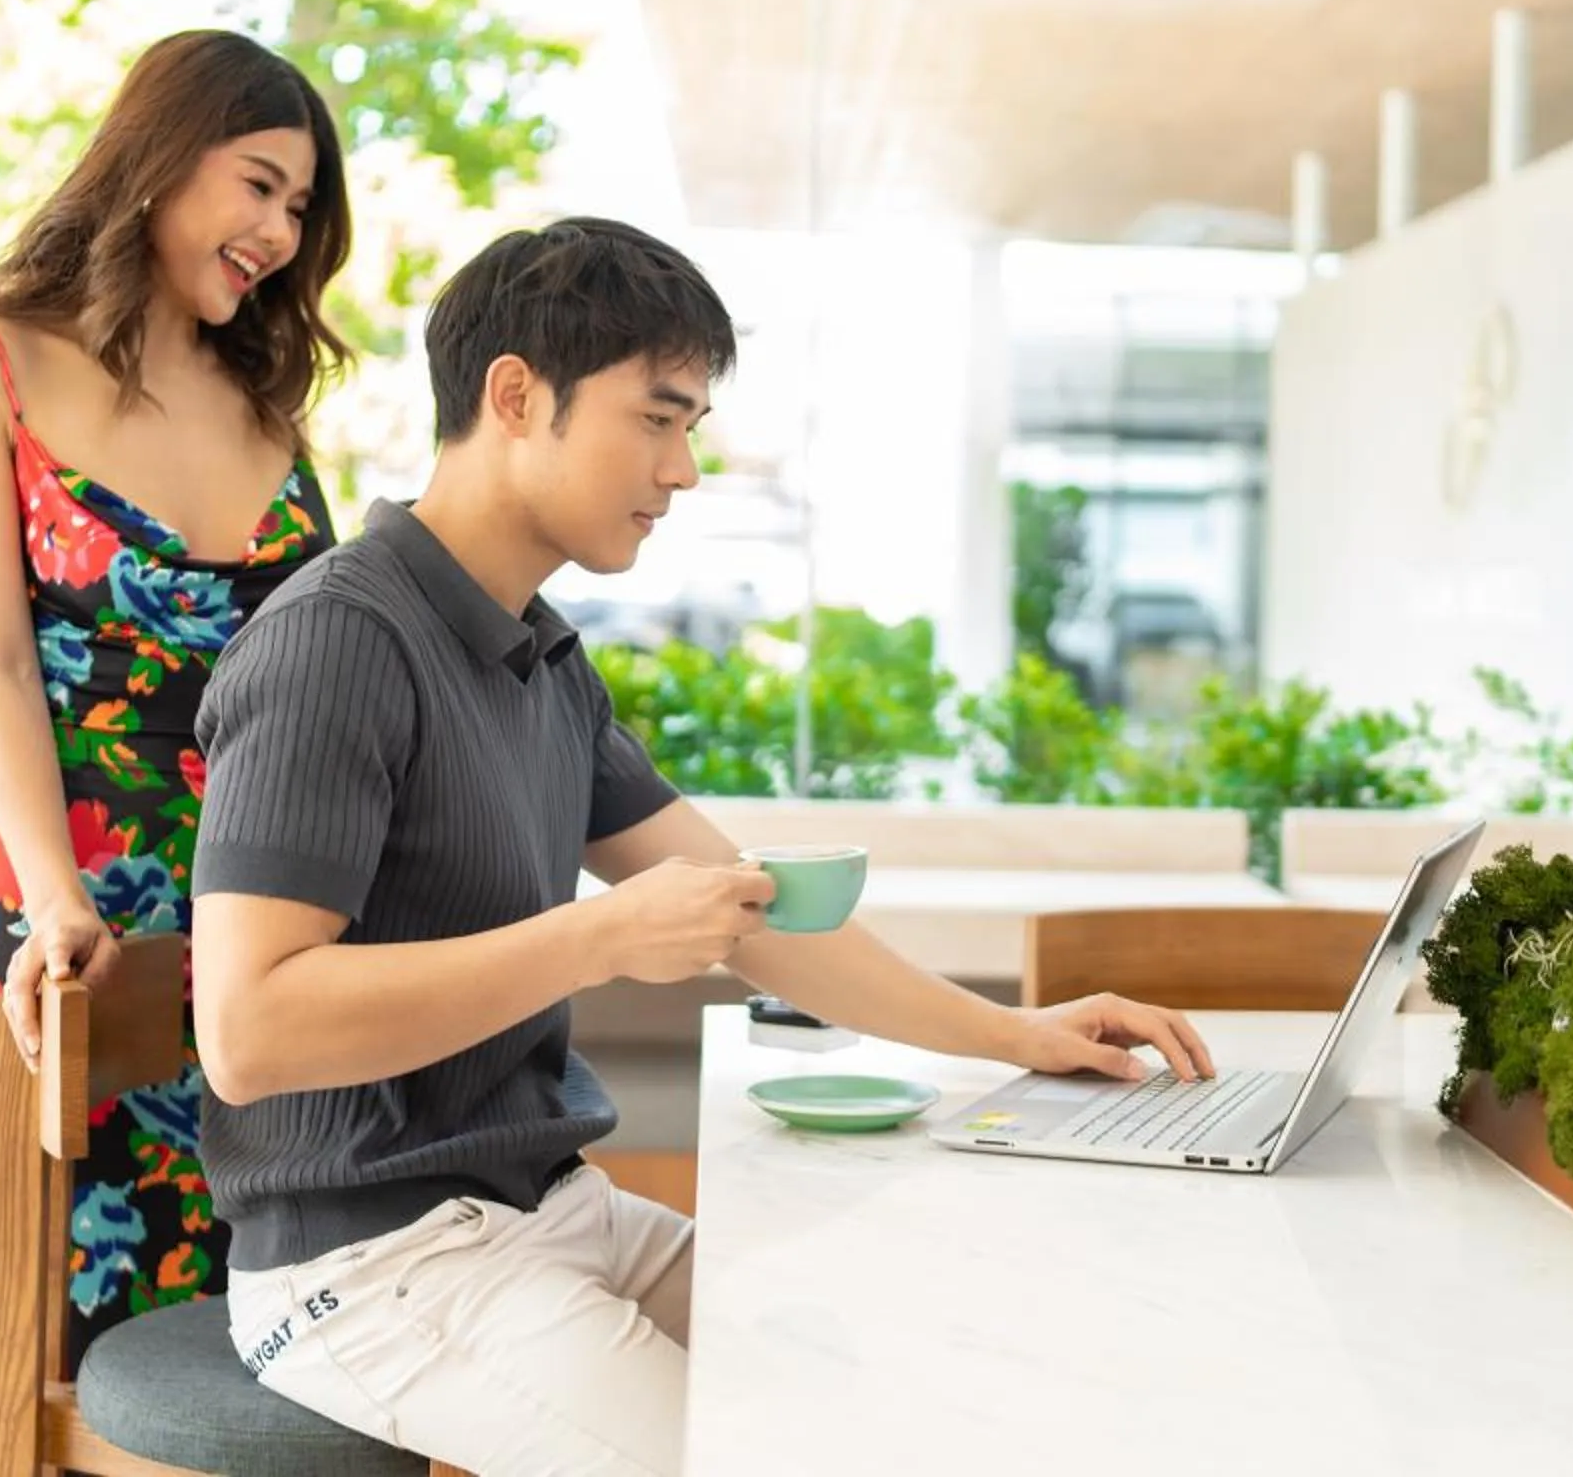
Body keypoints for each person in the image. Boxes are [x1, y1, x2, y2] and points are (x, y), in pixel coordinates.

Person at [185, 216, 1214, 1477]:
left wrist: (1022, 1032)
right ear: (517, 395)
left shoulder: (539, 655)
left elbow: (761, 915)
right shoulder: (337, 640)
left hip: (552, 1213)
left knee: (912, 1379)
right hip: (368, 1263)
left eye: (692, 428)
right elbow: (250, 1030)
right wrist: (601, 935)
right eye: (658, 417)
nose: (680, 469)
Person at [0, 27, 354, 1477]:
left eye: (301, 214)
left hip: (256, 926)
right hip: (59, 908)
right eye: (262, 188)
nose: (281, 239)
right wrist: (57, 898)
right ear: (162, 156)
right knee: (34, 1306)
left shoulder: (268, 403)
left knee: (244, 1327)